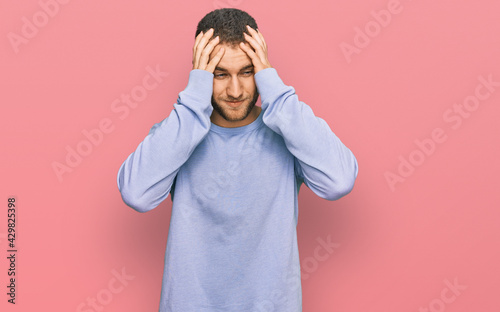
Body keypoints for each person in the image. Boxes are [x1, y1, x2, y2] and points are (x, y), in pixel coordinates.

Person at [116, 8, 358, 312]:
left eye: (246, 72)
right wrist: (193, 98)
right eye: (220, 74)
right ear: (202, 74)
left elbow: (339, 181)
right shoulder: (179, 132)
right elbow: (136, 194)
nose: (235, 91)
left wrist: (275, 90)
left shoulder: (289, 129)